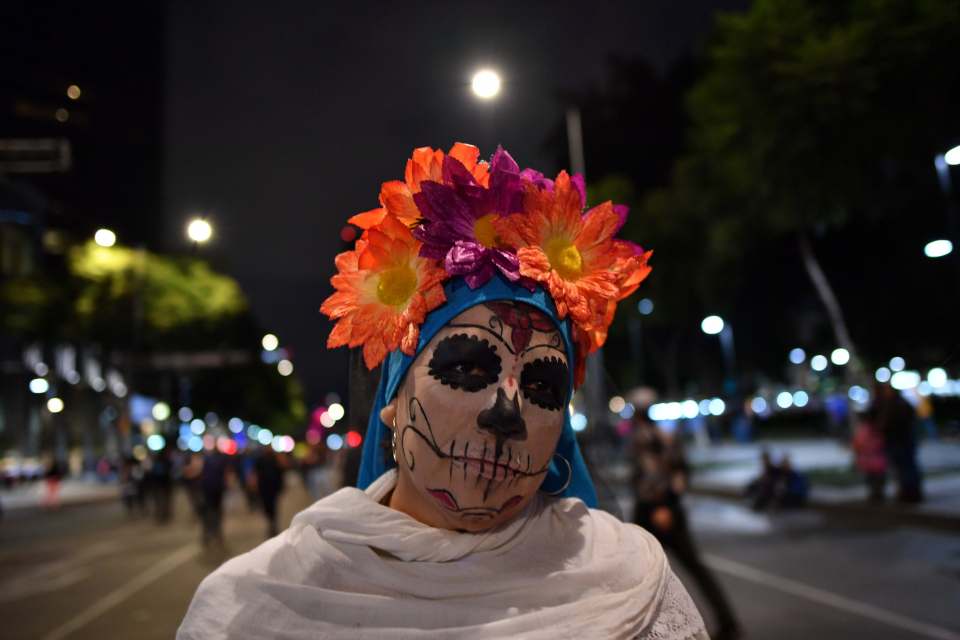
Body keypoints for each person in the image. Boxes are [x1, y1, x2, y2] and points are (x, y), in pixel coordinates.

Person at [179, 143, 706, 638]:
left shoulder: (631, 584)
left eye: (543, 385)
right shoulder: (255, 605)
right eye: (468, 368)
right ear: (393, 399)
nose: (508, 411)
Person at [632, 413, 741, 640]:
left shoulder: (654, 440)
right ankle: (726, 622)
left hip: (662, 513)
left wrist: (665, 504)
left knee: (644, 574)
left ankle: (727, 623)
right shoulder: (653, 439)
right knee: (643, 574)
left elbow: (673, 475)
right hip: (653, 512)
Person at [872, 381, 923, 503]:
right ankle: (907, 491)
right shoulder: (893, 404)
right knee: (902, 467)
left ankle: (910, 492)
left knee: (905, 467)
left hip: (900, 440)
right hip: (898, 440)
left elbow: (894, 422)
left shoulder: (896, 405)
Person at [851, 413, 887, 503]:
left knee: (871, 479)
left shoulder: (863, 431)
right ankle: (878, 493)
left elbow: (858, 444)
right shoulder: (877, 429)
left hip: (868, 461)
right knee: (877, 479)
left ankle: (875, 494)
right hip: (878, 461)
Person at [253, 447, 285, 538]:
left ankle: (273, 523)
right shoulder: (260, 459)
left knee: (273, 506)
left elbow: (281, 472)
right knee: (267, 506)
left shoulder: (276, 458)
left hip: (273, 488)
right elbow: (255, 473)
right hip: (264, 488)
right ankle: (271, 522)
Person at [200, 449, 229, 546]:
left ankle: (209, 533)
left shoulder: (206, 460)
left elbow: (202, 474)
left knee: (209, 512)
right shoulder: (221, 461)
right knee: (217, 511)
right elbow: (225, 475)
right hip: (217, 489)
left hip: (208, 489)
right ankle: (217, 533)